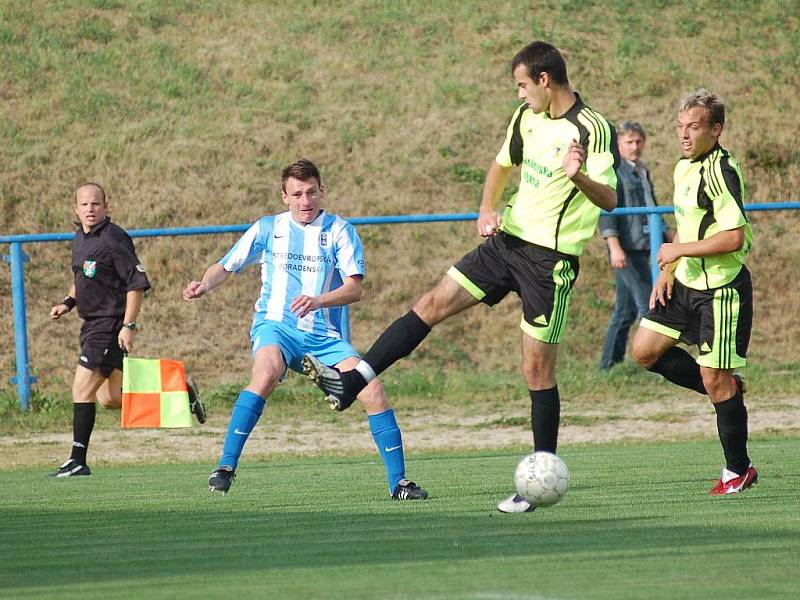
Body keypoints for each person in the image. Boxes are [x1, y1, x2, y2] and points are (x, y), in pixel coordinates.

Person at [303, 41, 618, 513]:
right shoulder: (525, 120)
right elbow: (500, 166)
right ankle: (353, 383)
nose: (519, 94)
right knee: (432, 304)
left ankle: (540, 478)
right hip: (506, 244)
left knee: (536, 370)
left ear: (545, 80)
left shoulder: (591, 128)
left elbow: (610, 199)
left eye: (522, 85)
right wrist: (487, 206)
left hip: (549, 263)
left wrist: (578, 177)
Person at [182, 159, 427, 500]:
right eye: (297, 194)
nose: (305, 200)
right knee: (266, 373)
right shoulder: (268, 229)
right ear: (284, 196)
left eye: (311, 192)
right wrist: (203, 286)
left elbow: (354, 289)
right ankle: (225, 467)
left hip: (323, 337)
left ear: (321, 191)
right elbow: (225, 266)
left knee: (373, 390)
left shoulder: (340, 231)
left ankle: (398, 483)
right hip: (276, 326)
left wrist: (318, 301)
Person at [631, 89, 756, 495]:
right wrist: (668, 268)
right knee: (645, 350)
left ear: (716, 129)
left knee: (714, 377)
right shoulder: (684, 167)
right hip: (685, 282)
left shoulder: (722, 171)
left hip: (720, 290)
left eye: (695, 127)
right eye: (680, 127)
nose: (685, 135)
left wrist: (678, 250)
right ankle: (725, 392)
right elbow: (688, 224)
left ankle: (738, 470)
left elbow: (734, 237)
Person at [49, 183, 205, 478]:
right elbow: (82, 276)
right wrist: (68, 302)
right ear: (76, 209)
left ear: (107, 207)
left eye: (96, 204)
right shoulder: (80, 239)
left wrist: (128, 326)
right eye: (84, 204)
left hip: (108, 325)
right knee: (109, 399)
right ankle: (180, 393)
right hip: (91, 323)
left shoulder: (114, 239)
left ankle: (77, 460)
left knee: (81, 389)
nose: (90, 209)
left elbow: (136, 285)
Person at [598, 122, 672, 371]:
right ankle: (654, 363)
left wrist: (665, 231)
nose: (635, 146)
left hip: (645, 243)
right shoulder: (614, 171)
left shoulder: (641, 169)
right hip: (626, 248)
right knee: (646, 305)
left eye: (638, 141)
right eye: (629, 142)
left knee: (625, 311)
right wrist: (614, 246)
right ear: (618, 144)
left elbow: (651, 203)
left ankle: (608, 367)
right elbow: (607, 210)